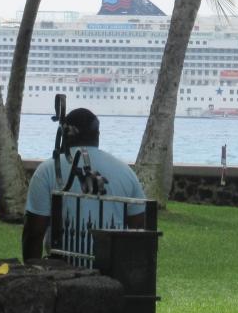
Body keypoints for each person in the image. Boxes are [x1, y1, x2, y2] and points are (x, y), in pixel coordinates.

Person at [21, 108, 146, 261]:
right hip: (112, 268)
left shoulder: (47, 170)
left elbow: (34, 231)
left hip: (62, 268)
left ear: (64, 134)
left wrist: (32, 270)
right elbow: (139, 228)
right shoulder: (125, 171)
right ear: (97, 135)